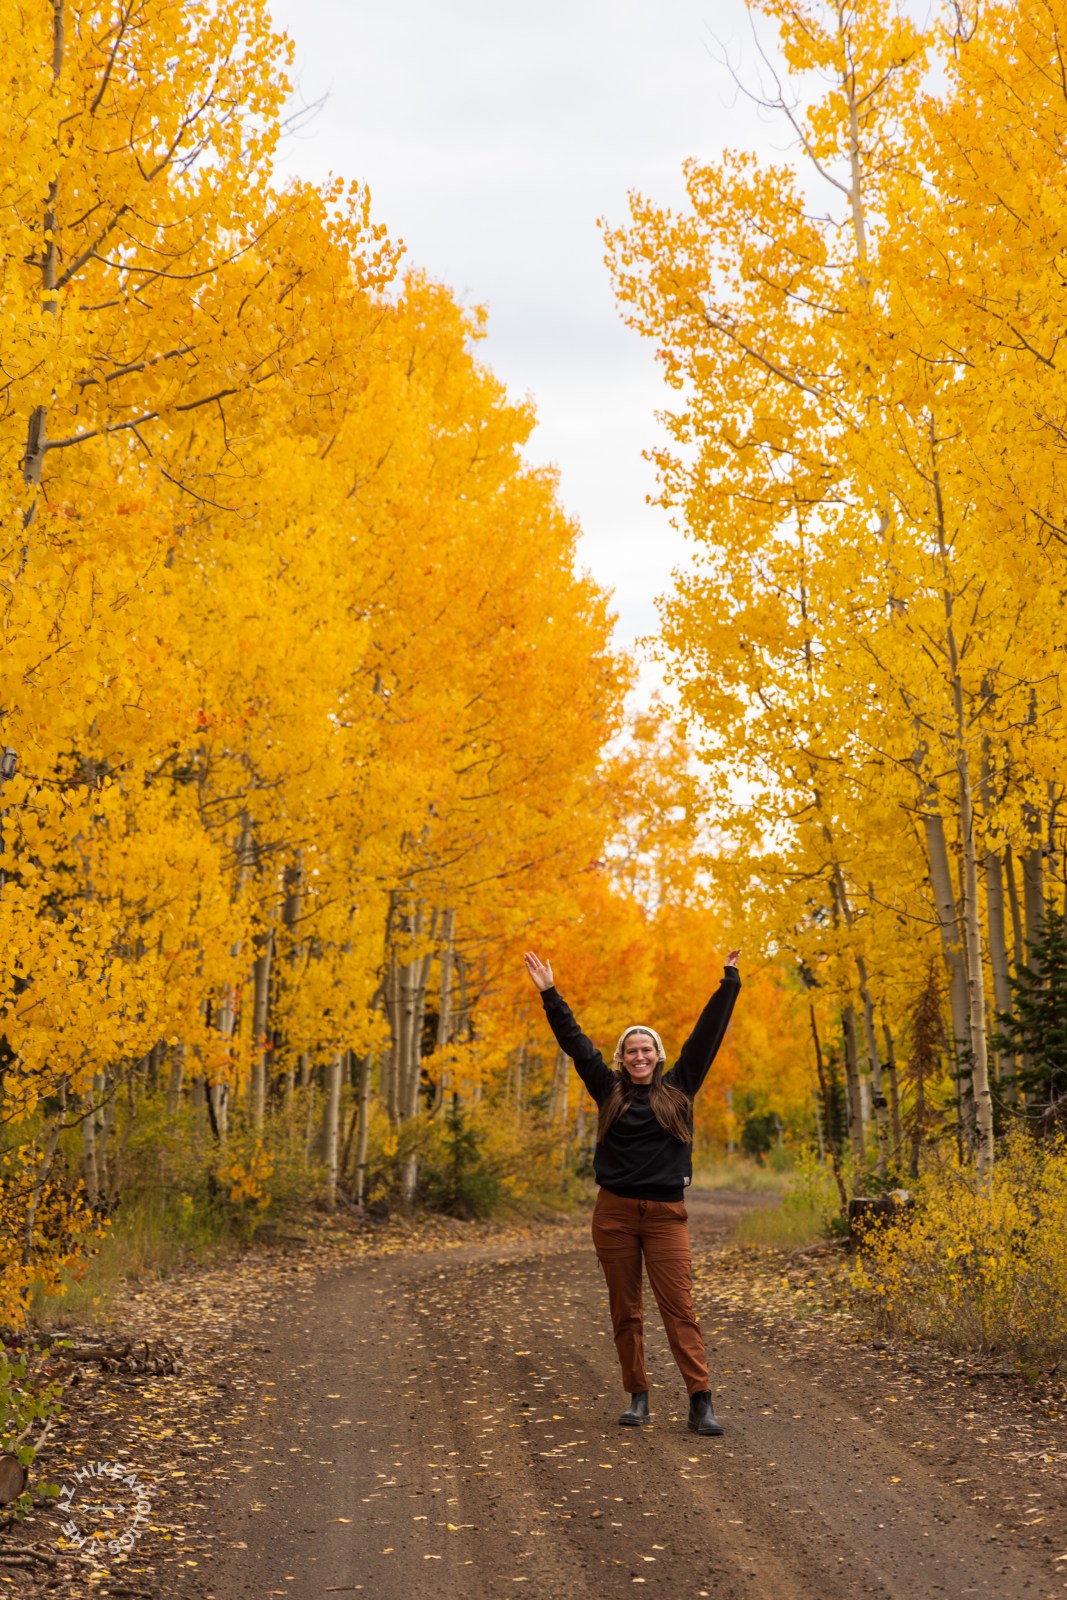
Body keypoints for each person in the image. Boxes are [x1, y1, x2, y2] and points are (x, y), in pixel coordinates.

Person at [523, 947, 741, 1435]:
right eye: (631, 1050)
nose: (639, 1056)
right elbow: (577, 1044)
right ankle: (637, 1395)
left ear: (658, 1055)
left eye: (647, 1049)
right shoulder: (607, 1089)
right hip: (615, 1214)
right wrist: (549, 993)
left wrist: (729, 982)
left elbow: (707, 1036)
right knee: (626, 1309)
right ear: (622, 1058)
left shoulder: (681, 1087)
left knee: (678, 1307)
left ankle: (700, 1400)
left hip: (666, 1216)